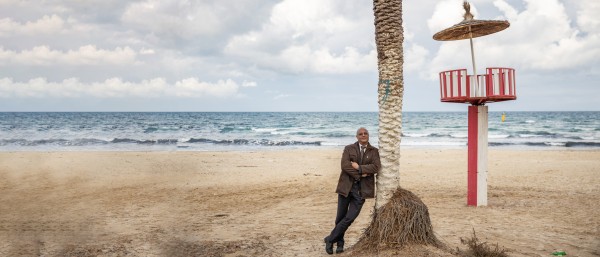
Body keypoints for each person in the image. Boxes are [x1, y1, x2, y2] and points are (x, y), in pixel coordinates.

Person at [323, 127, 381, 254]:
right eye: (360, 134)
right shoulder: (349, 148)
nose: (363, 135)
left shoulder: (374, 151)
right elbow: (345, 166)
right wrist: (360, 174)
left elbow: (376, 167)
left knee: (350, 218)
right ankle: (339, 244)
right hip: (346, 188)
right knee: (340, 218)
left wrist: (359, 167)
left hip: (362, 191)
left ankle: (330, 239)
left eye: (365, 133)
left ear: (368, 136)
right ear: (357, 137)